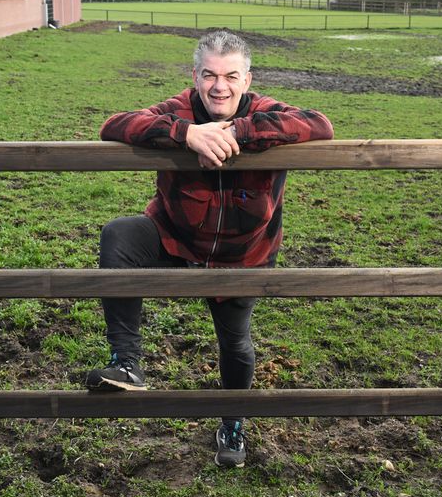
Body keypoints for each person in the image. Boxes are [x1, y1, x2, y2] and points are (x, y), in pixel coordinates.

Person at [87, 30, 334, 468]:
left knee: (235, 341)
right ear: (195, 76)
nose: (220, 86)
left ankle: (233, 424)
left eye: (231, 75)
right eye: (209, 75)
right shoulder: (179, 109)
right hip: (176, 238)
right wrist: (188, 134)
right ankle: (126, 363)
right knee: (119, 237)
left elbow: (319, 124)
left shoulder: (264, 111)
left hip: (244, 253)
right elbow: (115, 124)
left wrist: (236, 132)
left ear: (247, 78)